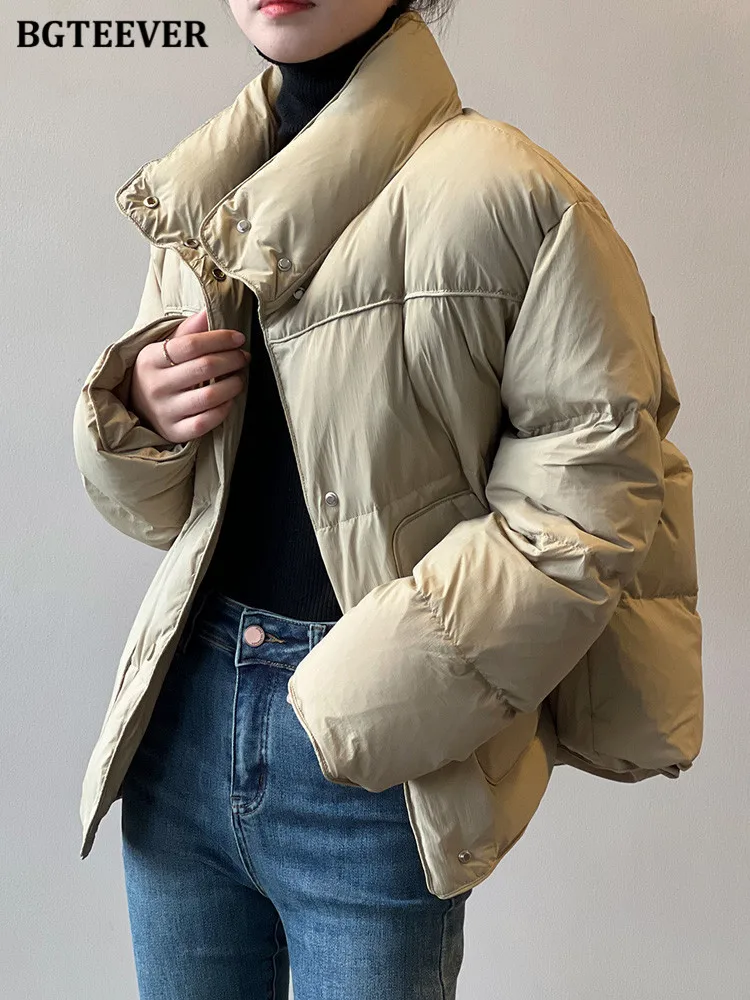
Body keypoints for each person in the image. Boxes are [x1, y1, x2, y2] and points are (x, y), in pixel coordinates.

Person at [72, 1, 703, 997]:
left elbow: (589, 503)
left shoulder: (519, 199)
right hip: (179, 731)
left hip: (374, 766)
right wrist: (139, 415)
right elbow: (165, 513)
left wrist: (363, 695)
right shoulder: (204, 186)